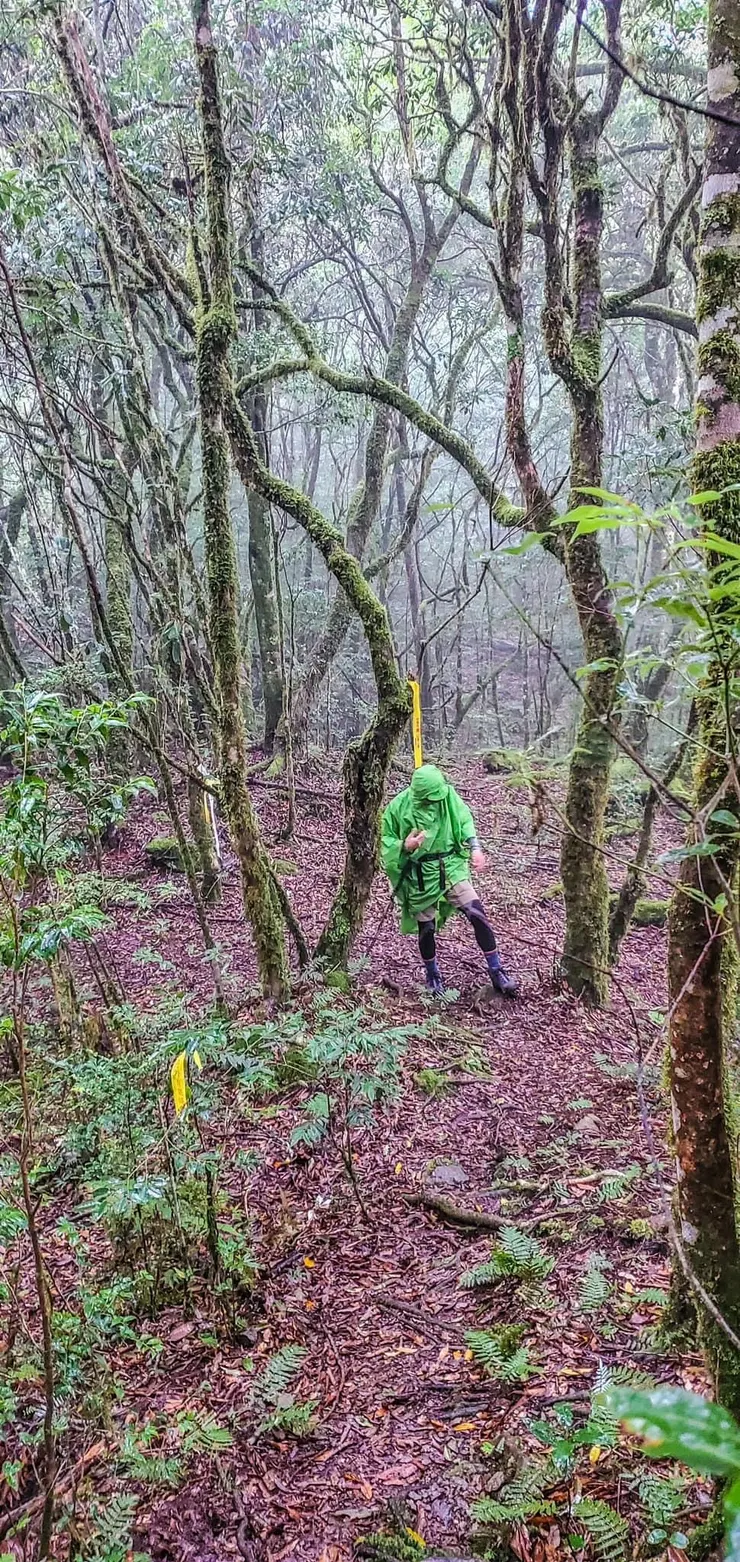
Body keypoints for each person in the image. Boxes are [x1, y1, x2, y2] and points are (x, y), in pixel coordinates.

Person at [381, 763, 519, 996]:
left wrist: (475, 848)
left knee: (477, 914)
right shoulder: (398, 807)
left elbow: (464, 820)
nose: (436, 801)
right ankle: (433, 975)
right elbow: (385, 839)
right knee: (426, 928)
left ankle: (497, 971)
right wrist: (405, 845)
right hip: (421, 876)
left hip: (451, 866)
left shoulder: (448, 796)